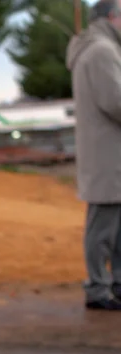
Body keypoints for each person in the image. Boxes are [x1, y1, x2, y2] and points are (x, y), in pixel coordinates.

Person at [66, 0, 121, 310]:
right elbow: (115, 101)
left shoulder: (100, 48)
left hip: (109, 156)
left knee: (114, 228)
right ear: (112, 17)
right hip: (108, 158)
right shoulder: (102, 51)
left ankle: (114, 284)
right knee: (102, 228)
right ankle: (98, 289)